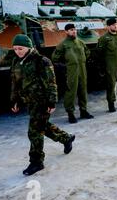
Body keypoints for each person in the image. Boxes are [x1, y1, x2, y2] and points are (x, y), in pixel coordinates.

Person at [10, 34, 75, 176]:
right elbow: (15, 83)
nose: (18, 51)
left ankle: (36, 162)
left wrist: (51, 101)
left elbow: (51, 83)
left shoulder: (42, 61)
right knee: (42, 127)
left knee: (34, 131)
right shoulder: (17, 61)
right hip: (29, 101)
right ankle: (66, 138)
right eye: (15, 49)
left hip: (42, 102)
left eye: (20, 48)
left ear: (28, 47)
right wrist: (15, 100)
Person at [52, 23, 94, 123]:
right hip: (71, 71)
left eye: (74, 29)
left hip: (82, 70)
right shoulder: (63, 45)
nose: (74, 31)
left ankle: (83, 111)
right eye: (71, 30)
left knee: (83, 90)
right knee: (71, 92)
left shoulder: (80, 42)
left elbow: (87, 53)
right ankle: (70, 114)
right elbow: (55, 58)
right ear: (66, 32)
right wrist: (65, 66)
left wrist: (81, 61)